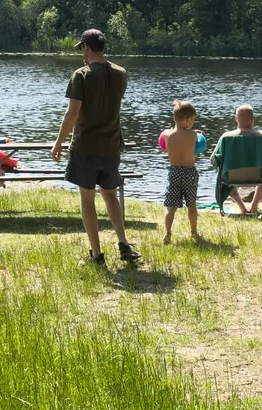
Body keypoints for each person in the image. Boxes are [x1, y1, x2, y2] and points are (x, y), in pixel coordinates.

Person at [51, 28, 139, 265]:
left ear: (87, 48)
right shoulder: (121, 74)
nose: (82, 53)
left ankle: (97, 255)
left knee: (87, 199)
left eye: (81, 48)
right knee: (110, 195)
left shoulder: (81, 75)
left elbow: (72, 114)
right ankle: (124, 244)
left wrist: (58, 143)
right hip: (111, 145)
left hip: (86, 146)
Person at [210, 104, 262, 216]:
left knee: (223, 174)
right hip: (260, 178)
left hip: (230, 179)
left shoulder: (226, 137)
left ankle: (242, 208)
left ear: (236, 119)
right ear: (252, 119)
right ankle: (254, 206)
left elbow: (213, 160)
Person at [157, 99, 208, 244]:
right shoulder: (193, 135)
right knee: (191, 205)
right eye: (192, 120)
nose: (193, 123)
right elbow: (193, 137)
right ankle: (193, 232)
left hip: (173, 173)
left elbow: (169, 139)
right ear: (186, 119)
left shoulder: (167, 135)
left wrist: (191, 130)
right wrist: (197, 132)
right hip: (189, 173)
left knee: (170, 207)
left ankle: (167, 233)